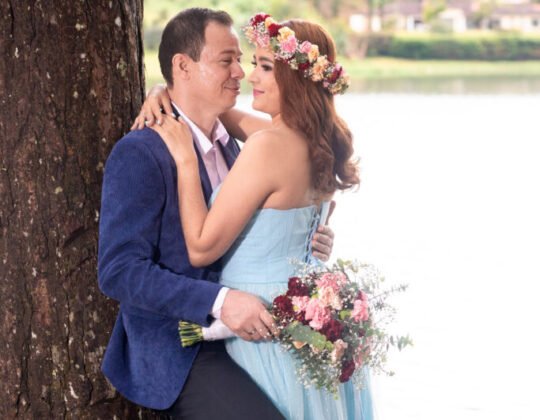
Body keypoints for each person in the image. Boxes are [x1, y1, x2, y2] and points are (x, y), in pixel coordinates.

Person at [98, 8, 334, 419]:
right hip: (183, 345)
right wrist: (221, 301)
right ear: (183, 67)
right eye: (227, 61)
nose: (241, 72)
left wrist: (299, 238)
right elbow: (119, 271)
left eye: (242, 60)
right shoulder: (140, 152)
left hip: (254, 331)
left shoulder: (238, 146)